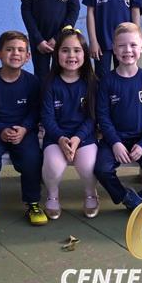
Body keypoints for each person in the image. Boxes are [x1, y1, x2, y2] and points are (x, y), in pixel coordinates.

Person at [0, 31, 46, 233]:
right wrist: (1, 129)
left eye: (20, 50)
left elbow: (35, 111)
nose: (15, 53)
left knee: (32, 158)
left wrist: (25, 128)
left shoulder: (32, 82)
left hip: (23, 132)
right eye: (9, 49)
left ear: (28, 56)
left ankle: (33, 203)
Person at [93, 23, 142, 210]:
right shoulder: (106, 81)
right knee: (101, 169)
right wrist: (115, 143)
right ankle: (125, 197)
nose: (127, 50)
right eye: (122, 45)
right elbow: (103, 116)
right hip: (115, 140)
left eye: (133, 45)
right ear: (114, 49)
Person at [40, 26, 99, 220]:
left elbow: (92, 117)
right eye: (65, 50)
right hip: (56, 137)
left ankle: (90, 193)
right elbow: (47, 118)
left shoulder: (92, 83)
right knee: (53, 166)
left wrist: (77, 138)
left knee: (88, 166)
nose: (71, 55)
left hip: (84, 137)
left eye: (77, 50)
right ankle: (52, 195)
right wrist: (61, 138)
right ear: (57, 54)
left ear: (85, 54)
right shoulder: (49, 84)